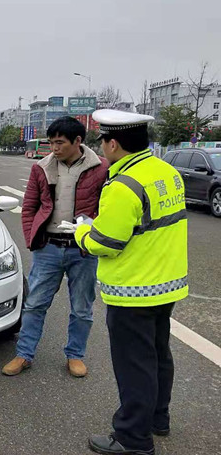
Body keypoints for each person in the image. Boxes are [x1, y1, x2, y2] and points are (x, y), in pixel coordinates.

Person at [63, 110, 188, 455]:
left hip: (133, 289)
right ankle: (158, 418)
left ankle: (133, 438)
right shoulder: (167, 172)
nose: (102, 147)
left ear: (113, 144)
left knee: (135, 365)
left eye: (103, 141)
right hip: (166, 284)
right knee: (158, 354)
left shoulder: (123, 185)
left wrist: (83, 232)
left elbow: (106, 242)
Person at [2, 117, 109, 378]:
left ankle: (75, 355)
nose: (54, 148)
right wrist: (32, 239)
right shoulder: (42, 168)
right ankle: (24, 354)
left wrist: (94, 234)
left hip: (82, 249)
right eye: (51, 142)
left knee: (82, 307)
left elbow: (107, 207)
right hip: (48, 247)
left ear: (78, 141)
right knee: (34, 304)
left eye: (60, 143)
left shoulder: (101, 168)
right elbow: (29, 206)